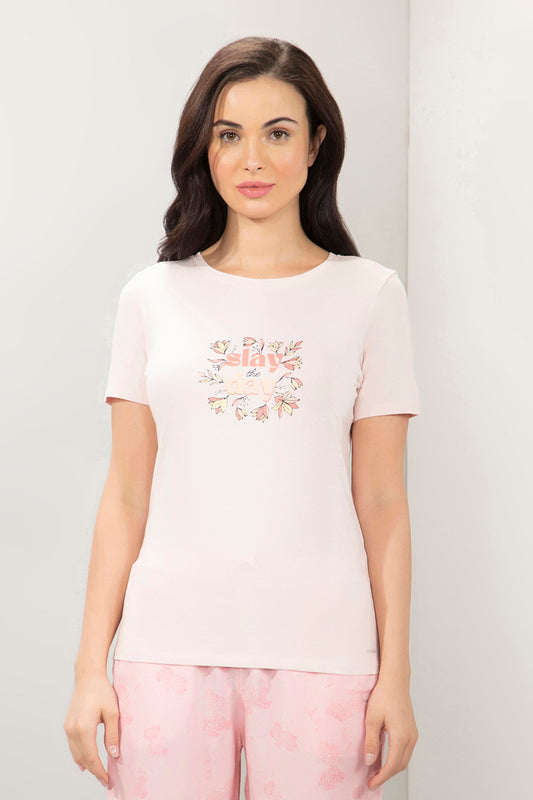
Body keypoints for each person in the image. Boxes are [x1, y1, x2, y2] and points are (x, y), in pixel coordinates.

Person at [64, 35, 421, 799]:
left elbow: (382, 500)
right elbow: (125, 496)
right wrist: (90, 667)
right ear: (205, 146)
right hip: (165, 652)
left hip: (324, 654)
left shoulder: (369, 296)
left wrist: (394, 674)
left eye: (277, 133)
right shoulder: (151, 298)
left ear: (316, 144)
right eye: (228, 134)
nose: (251, 159)